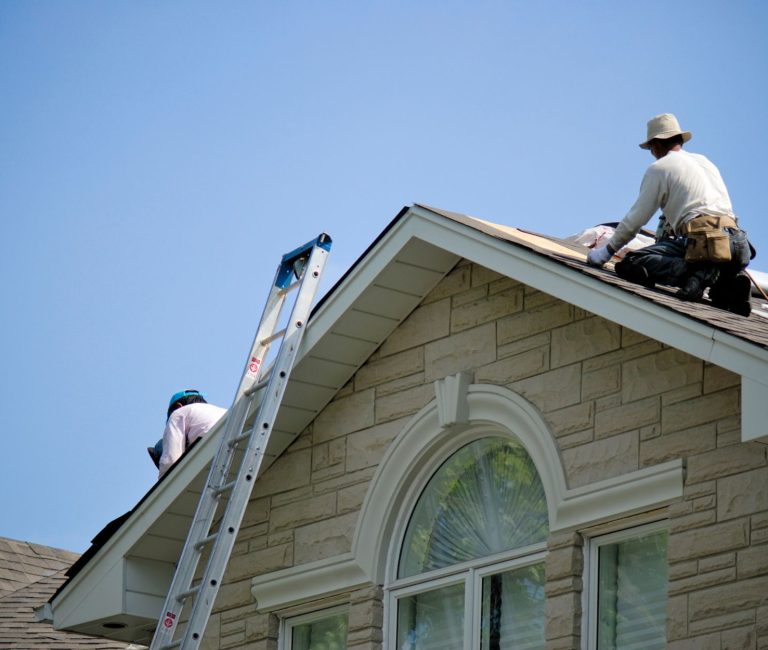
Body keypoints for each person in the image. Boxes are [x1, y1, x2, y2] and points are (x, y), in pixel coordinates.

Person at [587, 113, 754, 316]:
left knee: (632, 263)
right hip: (737, 244)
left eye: (650, 148)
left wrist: (606, 252)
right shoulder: (704, 162)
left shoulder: (660, 168)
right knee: (719, 295)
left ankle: (693, 274)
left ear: (656, 144)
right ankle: (726, 283)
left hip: (703, 242)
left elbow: (635, 220)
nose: (651, 153)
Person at [151, 389, 226, 479]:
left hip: (212, 450)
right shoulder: (219, 410)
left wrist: (161, 486)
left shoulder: (178, 413)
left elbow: (171, 459)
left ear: (178, 406)